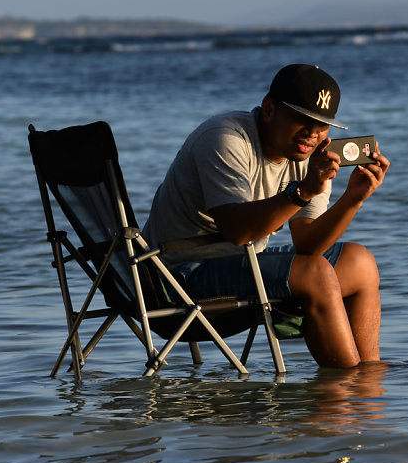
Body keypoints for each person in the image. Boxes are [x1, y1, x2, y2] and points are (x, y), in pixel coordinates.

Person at [142, 64, 390, 368]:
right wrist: (302, 192)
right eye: (302, 118)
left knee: (360, 262)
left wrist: (353, 200)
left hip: (244, 269)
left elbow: (308, 244)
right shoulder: (225, 138)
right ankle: (343, 393)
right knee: (316, 274)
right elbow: (238, 231)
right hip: (177, 280)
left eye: (322, 124)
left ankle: (367, 390)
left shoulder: (310, 156)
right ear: (269, 109)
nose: (312, 133)